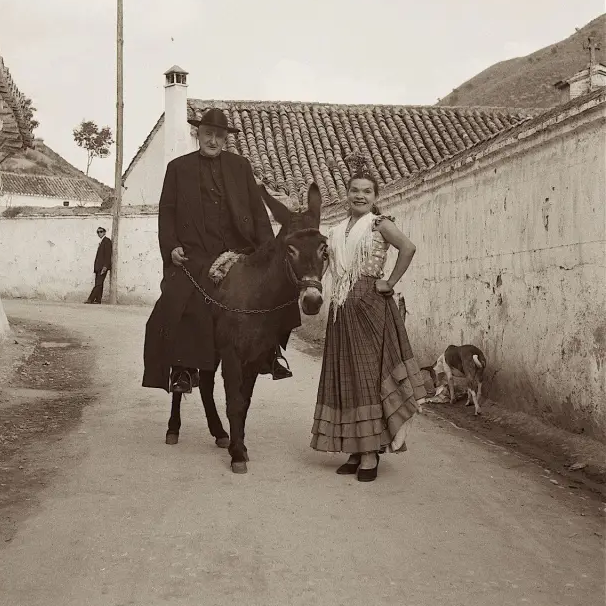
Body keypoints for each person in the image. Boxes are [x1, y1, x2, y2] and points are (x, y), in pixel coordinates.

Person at [142, 108, 298, 394]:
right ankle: (184, 369)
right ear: (198, 134)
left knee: (273, 292)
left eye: (219, 136)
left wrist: (266, 250)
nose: (213, 140)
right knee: (181, 300)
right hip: (194, 254)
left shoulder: (240, 166)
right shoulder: (178, 168)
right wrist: (171, 247)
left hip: (239, 251)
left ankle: (271, 353)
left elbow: (256, 211)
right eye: (208, 134)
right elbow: (167, 213)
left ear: (226, 139)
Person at [310, 155, 426, 482]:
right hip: (341, 309)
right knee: (344, 375)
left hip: (371, 306)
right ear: (346, 194)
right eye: (355, 190)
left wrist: (389, 282)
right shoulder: (334, 232)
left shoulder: (379, 224)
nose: (360, 196)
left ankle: (371, 453)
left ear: (376, 197)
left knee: (366, 376)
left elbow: (408, 248)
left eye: (367, 192)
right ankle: (354, 447)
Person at [84, 226, 112, 304]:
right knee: (99, 284)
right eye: (98, 232)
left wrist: (105, 267)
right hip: (98, 267)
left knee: (98, 284)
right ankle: (98, 300)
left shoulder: (107, 241)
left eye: (101, 231)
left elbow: (108, 255)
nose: (99, 233)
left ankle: (91, 299)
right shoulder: (102, 242)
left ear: (104, 232)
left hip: (102, 267)